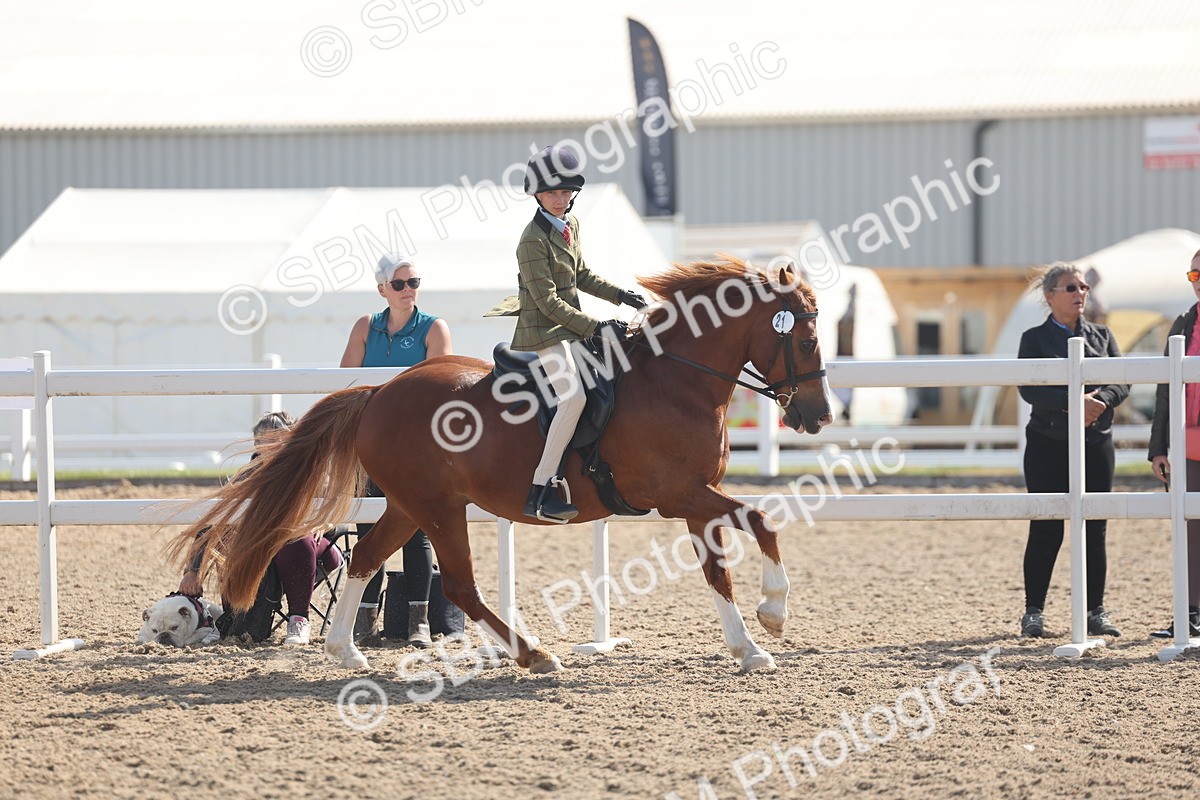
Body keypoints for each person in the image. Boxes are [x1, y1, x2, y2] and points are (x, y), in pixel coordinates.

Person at [507, 145, 647, 522]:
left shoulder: (572, 226)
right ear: (536, 194)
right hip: (543, 331)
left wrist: (620, 296)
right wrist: (596, 327)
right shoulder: (530, 240)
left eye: (567, 192)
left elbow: (581, 276)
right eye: (554, 192)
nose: (561, 199)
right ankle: (541, 488)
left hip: (570, 326)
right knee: (573, 399)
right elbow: (548, 302)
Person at [339, 252, 452, 647]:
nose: (409, 291)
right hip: (371, 441)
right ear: (382, 289)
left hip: (415, 446)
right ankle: (364, 619)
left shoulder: (434, 328)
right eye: (401, 284)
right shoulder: (365, 326)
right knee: (368, 528)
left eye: (414, 283)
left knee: (417, 529)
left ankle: (418, 621)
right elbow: (346, 386)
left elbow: (440, 393)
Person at [1017, 262, 1129, 638]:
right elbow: (1028, 388)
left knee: (1095, 527)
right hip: (1047, 443)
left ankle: (1094, 611)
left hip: (1096, 441)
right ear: (1050, 296)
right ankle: (1033, 612)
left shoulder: (1102, 334)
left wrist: (1099, 401)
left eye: (1082, 287)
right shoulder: (1032, 338)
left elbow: (1122, 379)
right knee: (1046, 525)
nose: (1081, 293)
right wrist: (1072, 403)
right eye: (1071, 288)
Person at [177, 411, 345, 646]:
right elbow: (213, 523)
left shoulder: (310, 469)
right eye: (265, 439)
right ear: (256, 444)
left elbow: (336, 510)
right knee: (229, 537)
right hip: (264, 552)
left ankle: (299, 619)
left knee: (292, 538)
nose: (272, 444)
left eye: (279, 438)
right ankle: (235, 615)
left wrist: (318, 522)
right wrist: (193, 570)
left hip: (308, 546)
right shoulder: (246, 477)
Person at [1146, 249, 1200, 638]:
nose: (1199, 282)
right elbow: (1165, 392)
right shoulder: (1183, 324)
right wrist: (1158, 447)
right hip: (1187, 444)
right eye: (1194, 276)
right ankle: (1189, 612)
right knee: (1187, 531)